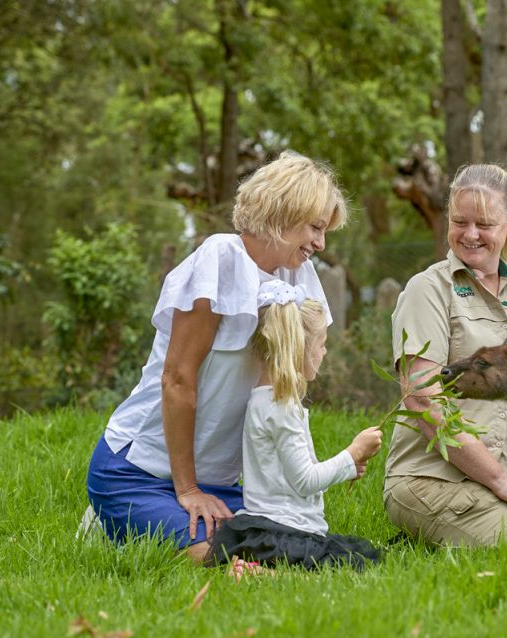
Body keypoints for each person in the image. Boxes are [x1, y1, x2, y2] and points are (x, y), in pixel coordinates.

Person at [86, 151, 347, 563]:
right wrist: (187, 490)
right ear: (283, 212)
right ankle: (115, 515)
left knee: (283, 549)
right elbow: (177, 378)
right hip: (138, 470)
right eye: (315, 227)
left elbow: (290, 383)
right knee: (220, 558)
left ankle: (119, 526)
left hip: (220, 485)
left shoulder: (301, 275)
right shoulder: (220, 259)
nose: (321, 243)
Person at [383, 164, 507, 547]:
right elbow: (422, 398)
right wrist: (500, 480)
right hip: (432, 479)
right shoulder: (428, 290)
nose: (470, 234)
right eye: (460, 221)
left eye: (484, 223)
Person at [206, 282, 383, 572]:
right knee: (351, 566)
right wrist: (351, 455)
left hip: (264, 528)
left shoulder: (262, 398)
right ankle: (264, 574)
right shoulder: (282, 406)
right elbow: (305, 481)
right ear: (299, 348)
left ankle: (258, 568)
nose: (324, 352)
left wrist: (349, 466)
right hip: (288, 530)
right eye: (322, 344)